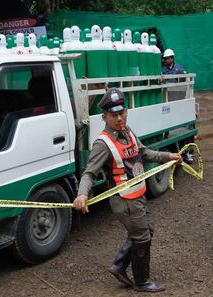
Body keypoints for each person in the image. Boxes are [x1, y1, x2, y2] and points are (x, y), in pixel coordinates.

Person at [73, 88, 182, 293]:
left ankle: (119, 266)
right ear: (104, 117)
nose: (119, 118)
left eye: (122, 112)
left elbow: (145, 153)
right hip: (124, 201)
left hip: (137, 196)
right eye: (114, 115)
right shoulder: (102, 143)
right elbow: (89, 173)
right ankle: (142, 282)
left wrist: (168, 156)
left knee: (146, 230)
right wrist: (82, 194)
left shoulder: (128, 132)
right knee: (142, 237)